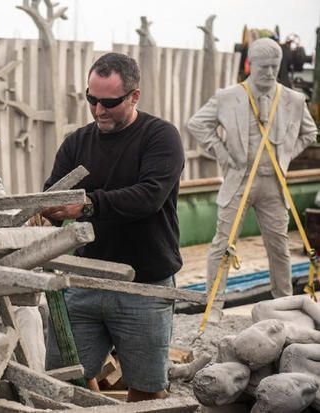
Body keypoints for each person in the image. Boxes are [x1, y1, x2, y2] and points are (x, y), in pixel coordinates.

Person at [40, 52, 185, 401]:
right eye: (91, 99)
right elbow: (51, 193)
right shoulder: (77, 142)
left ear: (134, 96)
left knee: (148, 391)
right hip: (84, 281)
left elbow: (148, 197)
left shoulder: (161, 137)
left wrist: (87, 204)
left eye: (109, 102)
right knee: (64, 384)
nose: (98, 110)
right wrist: (48, 208)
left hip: (144, 284)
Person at [187, 38, 318, 319]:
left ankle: (284, 305)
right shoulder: (227, 97)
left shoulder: (293, 100)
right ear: (250, 65)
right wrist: (222, 153)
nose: (270, 73)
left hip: (274, 183)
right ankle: (214, 308)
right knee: (222, 245)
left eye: (275, 67)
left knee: (279, 247)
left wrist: (285, 156)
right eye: (264, 67)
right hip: (239, 180)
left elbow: (310, 133)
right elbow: (197, 124)